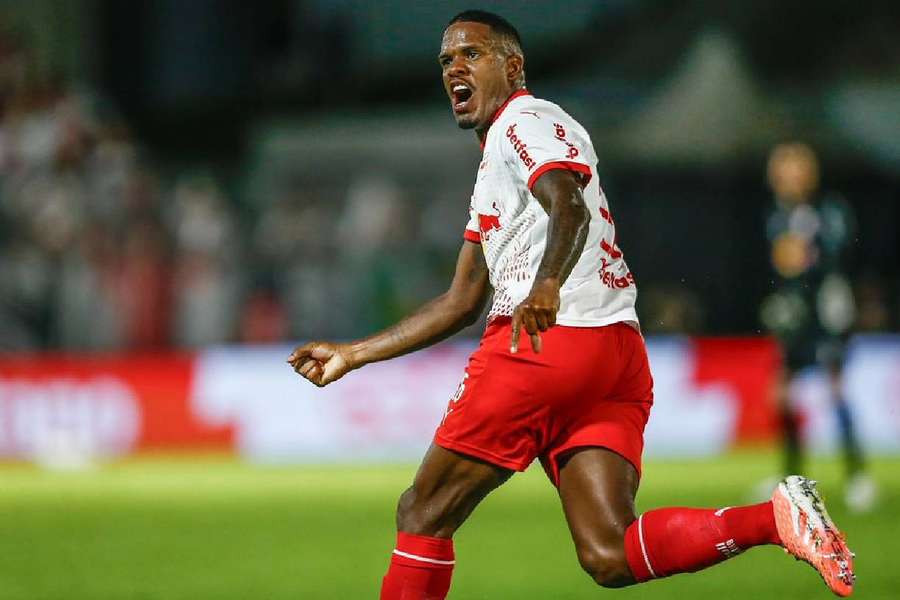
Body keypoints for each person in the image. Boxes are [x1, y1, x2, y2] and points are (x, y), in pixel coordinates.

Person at [288, 11, 855, 598]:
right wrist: (353, 354)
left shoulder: (523, 122)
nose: (454, 67)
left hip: (544, 345)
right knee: (609, 552)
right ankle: (773, 518)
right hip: (613, 355)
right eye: (445, 61)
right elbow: (462, 301)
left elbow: (568, 202)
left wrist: (546, 284)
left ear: (513, 66)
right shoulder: (498, 163)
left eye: (471, 54)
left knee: (422, 513)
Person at [761, 142, 876, 512]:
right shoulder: (776, 215)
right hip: (796, 315)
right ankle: (791, 479)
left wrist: (806, 258)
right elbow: (781, 265)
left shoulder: (828, 210)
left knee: (836, 389)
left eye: (792, 169)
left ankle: (857, 475)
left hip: (826, 313)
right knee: (783, 394)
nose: (785, 178)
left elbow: (835, 256)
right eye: (780, 171)